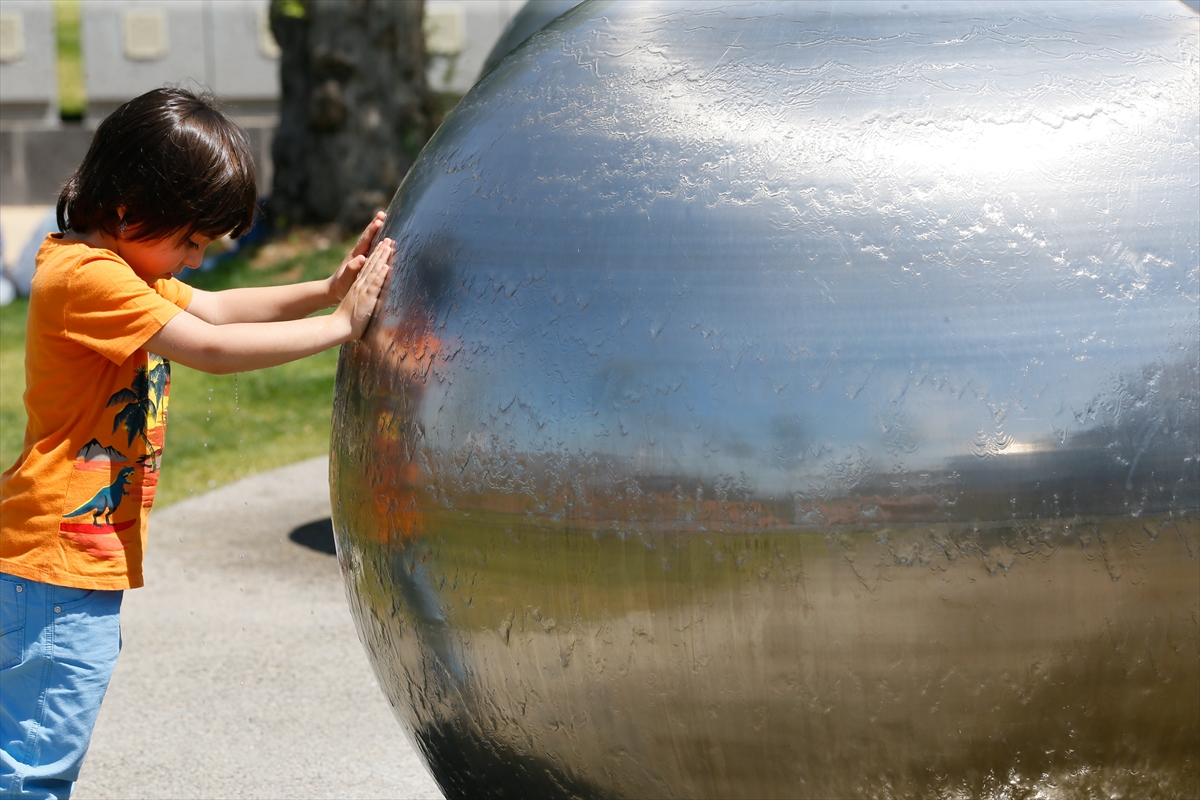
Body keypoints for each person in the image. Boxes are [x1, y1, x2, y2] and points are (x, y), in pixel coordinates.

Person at [0, 87, 393, 798]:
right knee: (35, 764)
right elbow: (210, 345)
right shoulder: (87, 278)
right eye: (188, 240)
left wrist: (328, 288)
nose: (192, 261)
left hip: (62, 561)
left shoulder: (118, 265)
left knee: (36, 744)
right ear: (127, 205)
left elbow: (216, 307)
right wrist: (340, 328)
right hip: (55, 563)